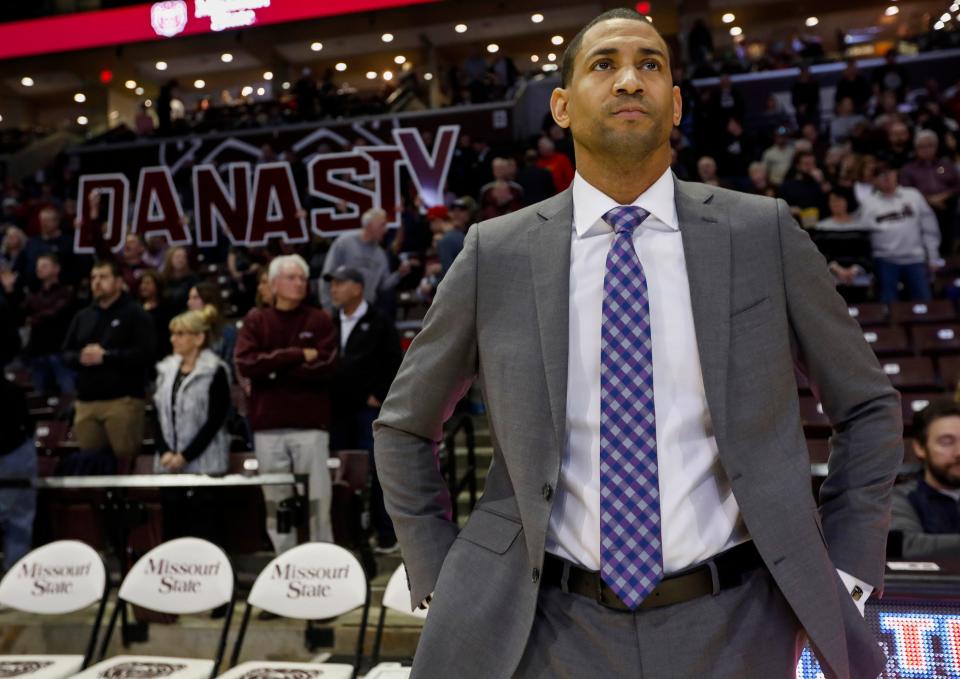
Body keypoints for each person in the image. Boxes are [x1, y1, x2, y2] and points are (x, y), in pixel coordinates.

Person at [374, 8, 901, 679]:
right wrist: (443, 570)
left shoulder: (761, 232)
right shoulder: (495, 253)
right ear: (561, 107)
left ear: (675, 103)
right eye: (605, 64)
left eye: (650, 64)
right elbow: (402, 427)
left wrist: (850, 561)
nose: (629, 80)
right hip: (543, 625)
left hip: (739, 618)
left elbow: (868, 405)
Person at [235, 254, 337, 552]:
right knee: (277, 501)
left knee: (318, 498)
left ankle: (324, 560)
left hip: (310, 424)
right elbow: (246, 363)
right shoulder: (257, 319)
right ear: (274, 283)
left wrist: (273, 370)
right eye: (291, 278)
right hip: (269, 425)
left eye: (303, 278)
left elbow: (326, 366)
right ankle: (285, 562)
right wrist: (294, 356)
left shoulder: (319, 320)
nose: (299, 284)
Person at [327, 266, 402, 553]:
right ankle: (347, 534)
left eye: (339, 283)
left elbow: (394, 361)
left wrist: (380, 395)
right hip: (338, 412)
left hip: (368, 412)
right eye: (332, 284)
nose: (333, 289)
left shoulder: (379, 321)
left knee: (376, 470)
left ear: (357, 287)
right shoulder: (330, 322)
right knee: (342, 474)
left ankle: (385, 533)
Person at [62, 260, 155, 460]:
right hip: (86, 402)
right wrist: (80, 357)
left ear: (119, 281)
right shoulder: (83, 315)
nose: (97, 282)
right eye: (94, 277)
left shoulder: (135, 314)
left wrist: (107, 356)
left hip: (123, 400)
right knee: (90, 464)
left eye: (103, 277)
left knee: (125, 462)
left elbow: (146, 354)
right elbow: (66, 354)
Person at [153, 305, 231, 541]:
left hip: (204, 463)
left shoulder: (215, 371)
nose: (173, 339)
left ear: (199, 338)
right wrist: (165, 451)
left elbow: (215, 420)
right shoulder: (165, 371)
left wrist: (185, 455)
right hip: (169, 465)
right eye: (173, 334)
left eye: (180, 334)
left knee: (203, 529)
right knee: (173, 530)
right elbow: (156, 414)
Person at [859, 162, 942, 303]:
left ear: (896, 173)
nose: (886, 177)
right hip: (885, 261)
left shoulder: (913, 195)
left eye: (889, 173)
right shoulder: (868, 203)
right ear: (874, 180)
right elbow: (864, 236)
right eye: (880, 175)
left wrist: (933, 256)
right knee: (888, 306)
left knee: (924, 303)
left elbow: (930, 228)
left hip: (915, 259)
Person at [889, 400, 960, 560]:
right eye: (946, 442)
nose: (958, 452)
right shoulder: (899, 498)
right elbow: (906, 546)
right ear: (920, 448)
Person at [319, 207, 417, 311]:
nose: (386, 229)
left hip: (366, 312)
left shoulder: (380, 254)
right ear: (370, 225)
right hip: (340, 310)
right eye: (382, 225)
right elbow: (327, 274)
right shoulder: (344, 243)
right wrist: (327, 306)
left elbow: (383, 286)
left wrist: (399, 274)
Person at [10, 253, 76, 395]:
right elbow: (18, 313)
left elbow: (55, 314)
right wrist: (10, 291)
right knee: (39, 396)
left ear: (56, 269)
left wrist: (31, 319)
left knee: (68, 393)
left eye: (44, 265)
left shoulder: (66, 292)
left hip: (59, 350)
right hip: (37, 352)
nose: (39, 269)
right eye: (38, 266)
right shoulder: (35, 294)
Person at [899, 129, 960, 256]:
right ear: (916, 148)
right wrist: (929, 199)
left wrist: (944, 196)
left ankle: (949, 260)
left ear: (936, 147)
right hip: (921, 211)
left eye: (930, 146)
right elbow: (906, 190)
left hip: (947, 207)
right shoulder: (908, 169)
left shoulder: (945, 166)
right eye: (922, 146)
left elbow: (957, 185)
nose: (926, 149)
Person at [0, 375, 35, 573]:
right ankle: (14, 574)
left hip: (14, 455)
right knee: (18, 518)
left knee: (19, 517)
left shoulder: (12, 391)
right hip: (16, 452)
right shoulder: (12, 390)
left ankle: (14, 575)